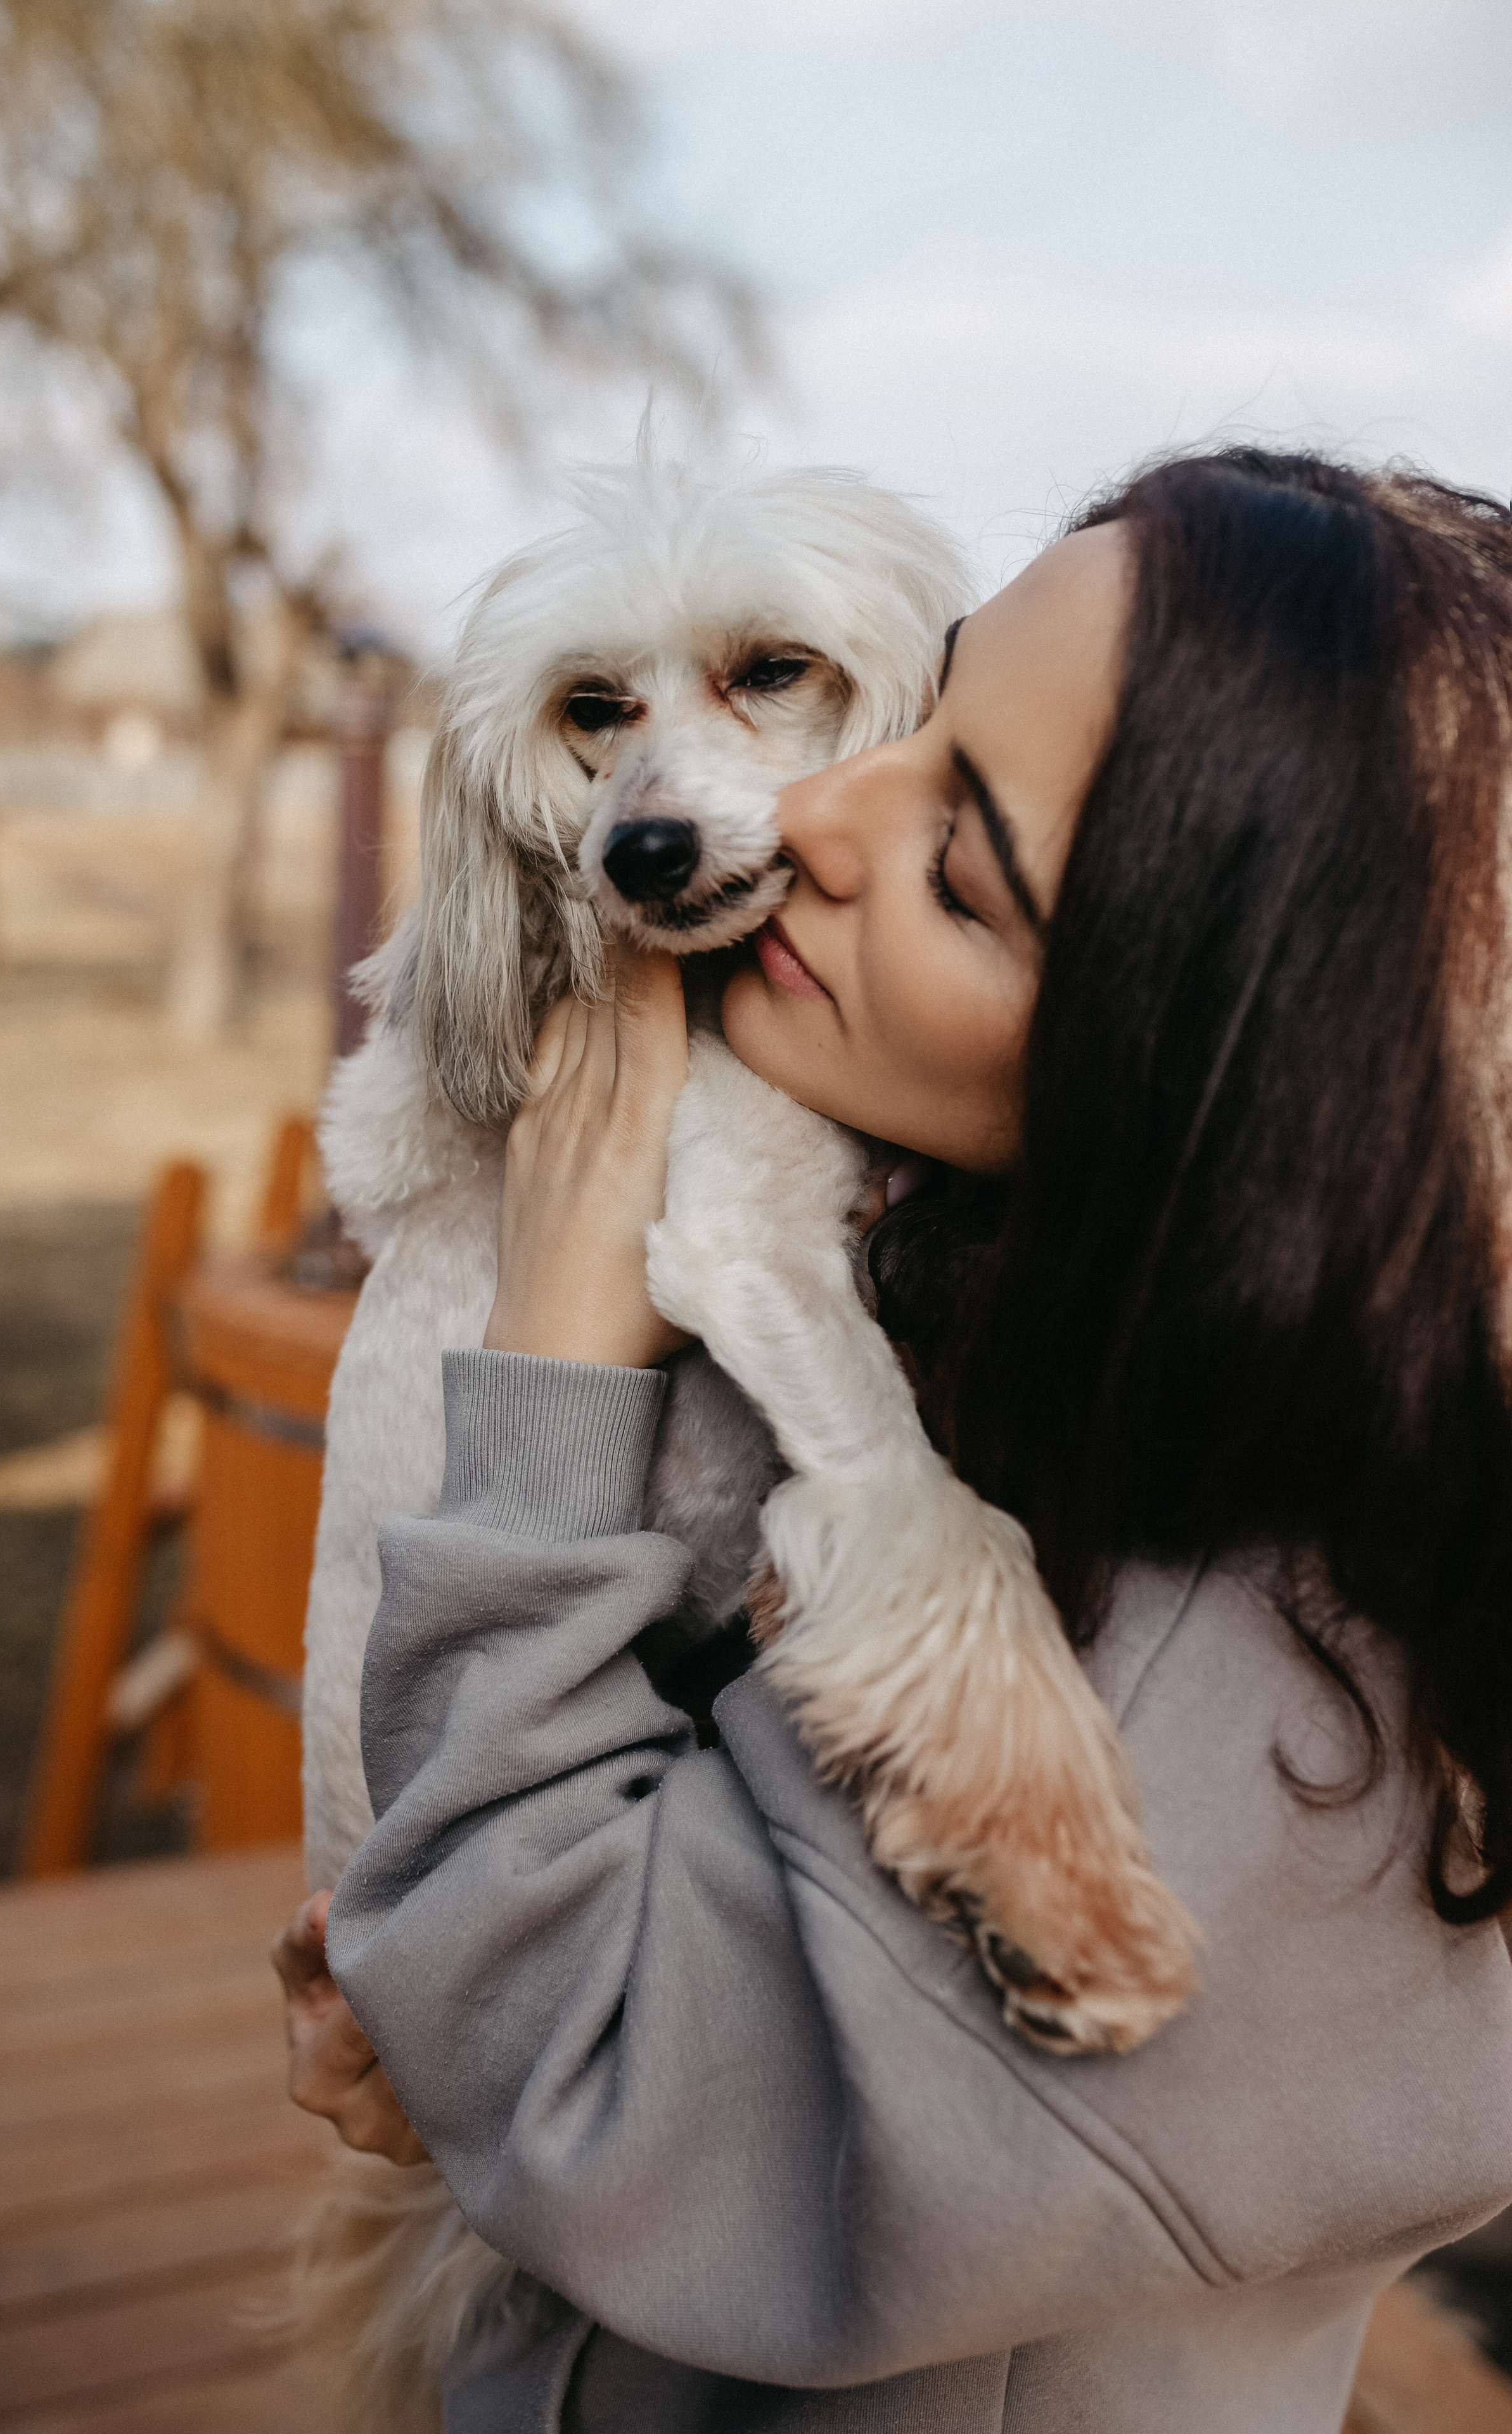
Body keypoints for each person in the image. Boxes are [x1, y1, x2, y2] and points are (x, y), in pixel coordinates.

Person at [275, 449, 1512, 2431]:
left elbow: (576, 2075)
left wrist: (564, 1342)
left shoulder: (1230, 1707)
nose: (814, 807)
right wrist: (431, 1952)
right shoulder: (1131, 1384)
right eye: (916, 709)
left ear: (1211, 1067)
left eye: (962, 864)